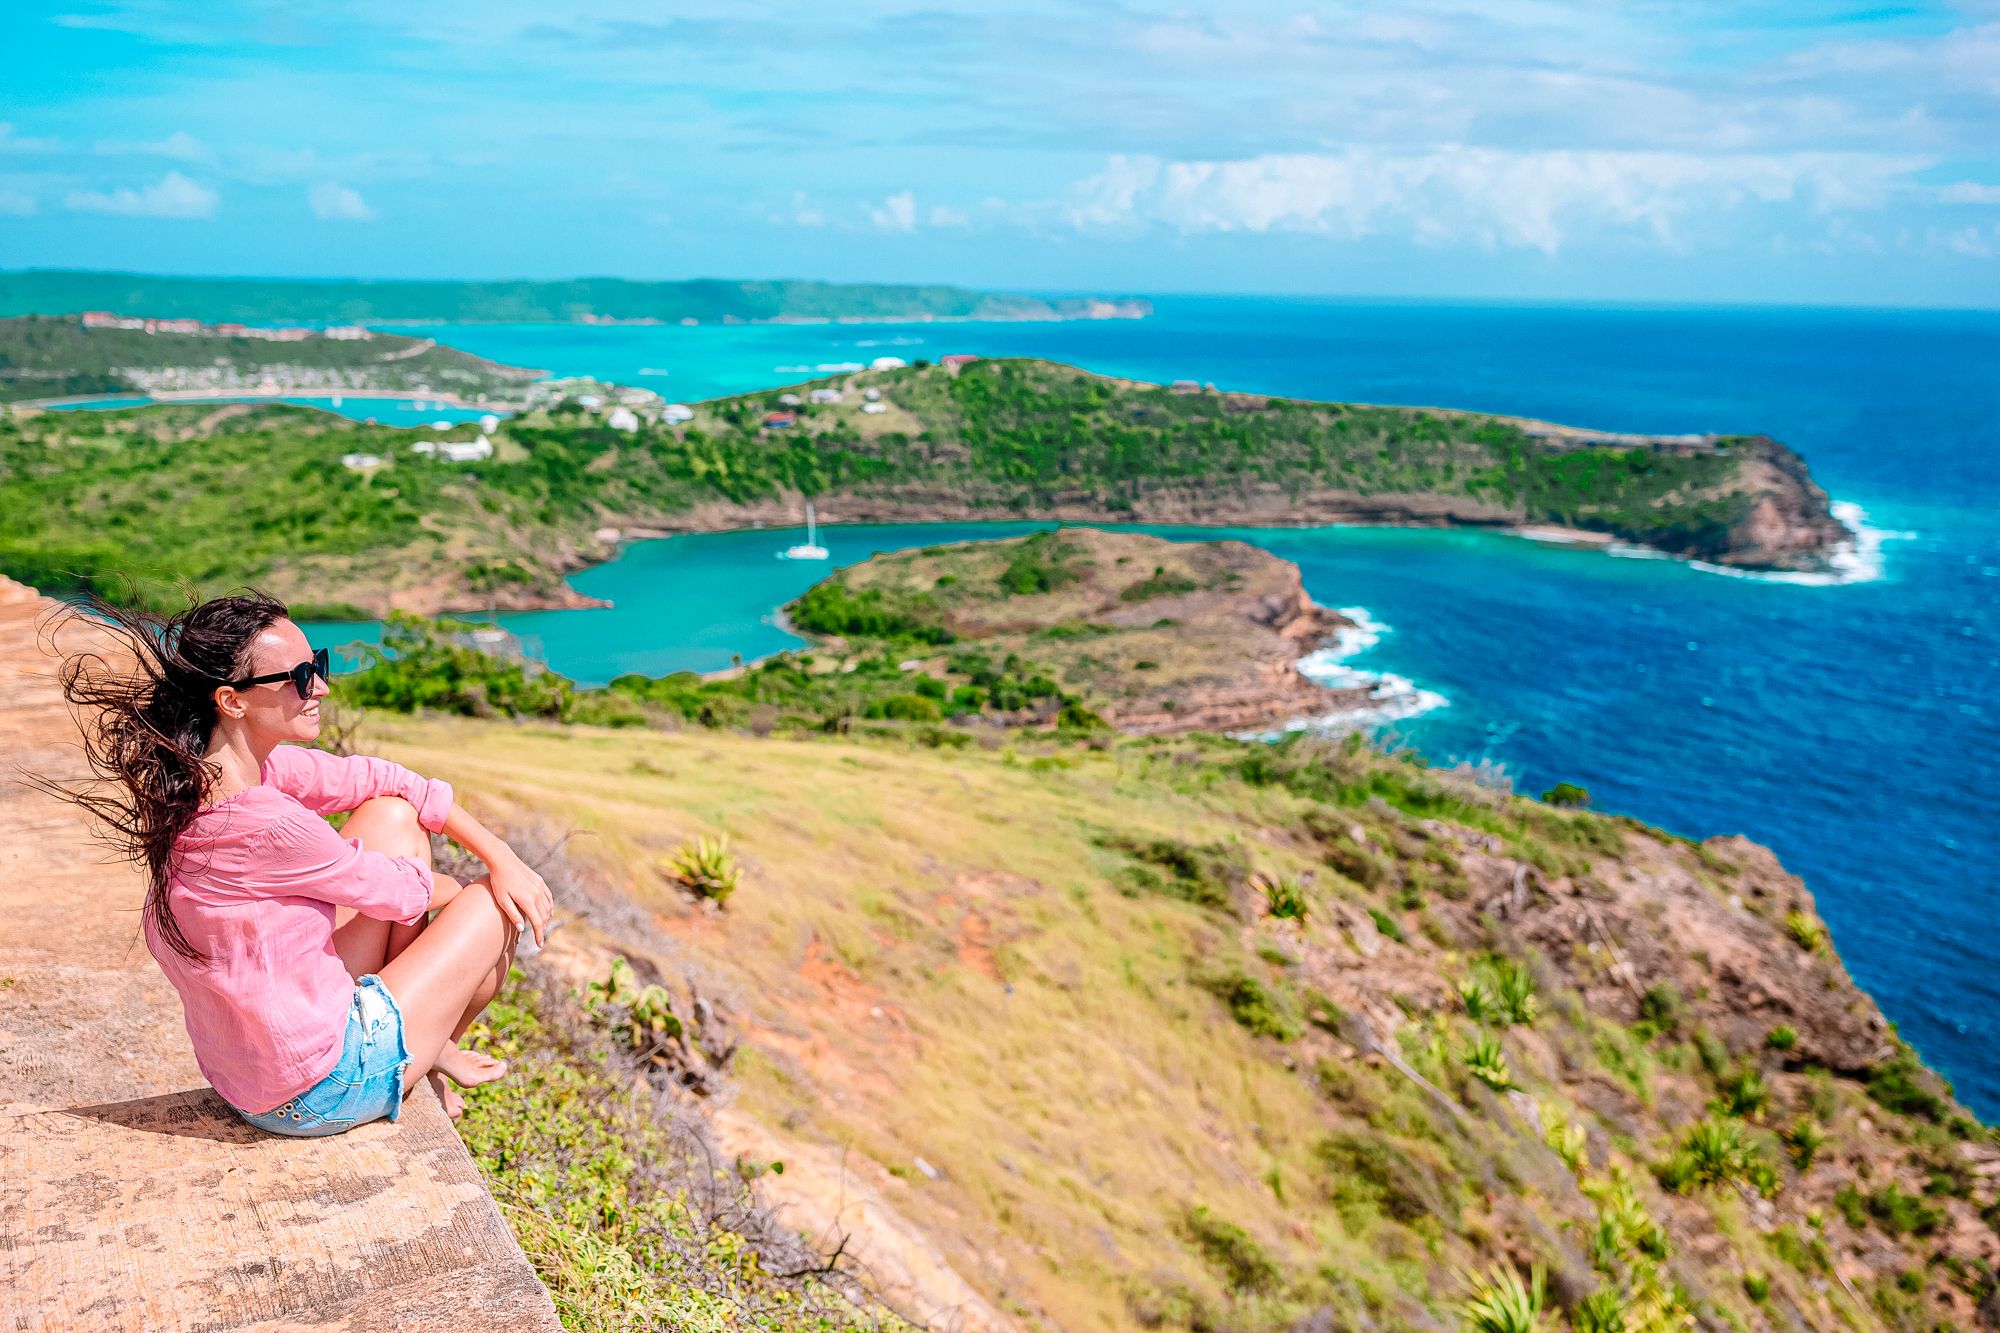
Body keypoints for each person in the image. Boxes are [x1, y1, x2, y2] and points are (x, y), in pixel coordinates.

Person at [47, 591, 552, 1135]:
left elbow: (383, 780)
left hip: (254, 1076)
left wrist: (502, 855)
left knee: (391, 815)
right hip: (319, 1090)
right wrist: (490, 881)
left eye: (319, 666)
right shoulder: (265, 822)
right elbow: (401, 892)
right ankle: (426, 1053)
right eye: (300, 678)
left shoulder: (201, 777)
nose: (322, 688)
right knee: (491, 907)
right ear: (232, 701)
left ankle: (425, 1048)